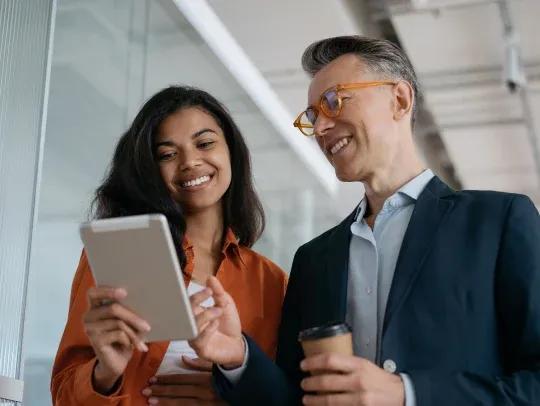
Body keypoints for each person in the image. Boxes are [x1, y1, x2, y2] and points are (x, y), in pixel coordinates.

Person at [189, 36, 540, 405]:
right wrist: (238, 357)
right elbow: (297, 396)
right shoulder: (314, 259)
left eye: (333, 101)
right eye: (313, 116)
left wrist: (407, 393)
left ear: (400, 99)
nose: (321, 127)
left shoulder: (498, 222)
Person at [51, 86, 287, 405]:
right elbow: (63, 397)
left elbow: (282, 396)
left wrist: (230, 393)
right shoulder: (119, 255)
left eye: (204, 143)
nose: (189, 162)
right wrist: (105, 371)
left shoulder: (270, 282)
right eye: (167, 154)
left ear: (231, 150)